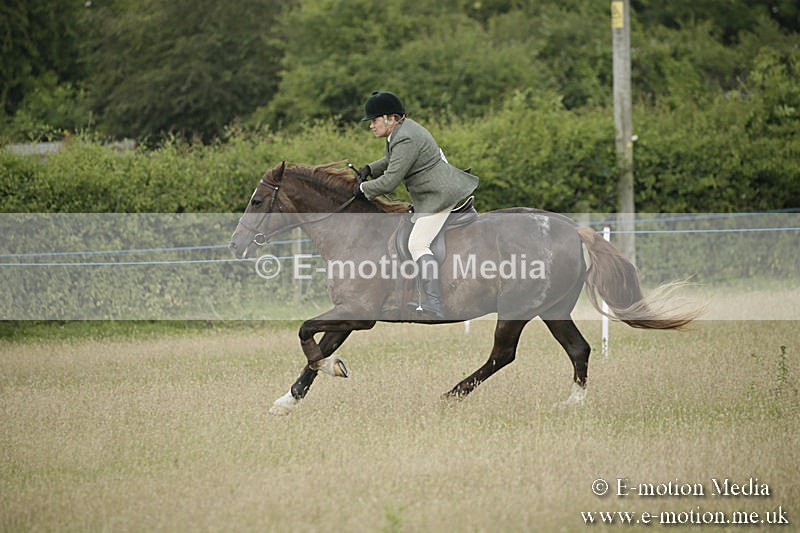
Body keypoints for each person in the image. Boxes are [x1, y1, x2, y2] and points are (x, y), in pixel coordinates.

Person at [354, 91, 478, 319]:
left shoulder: (405, 137)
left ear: (390, 118)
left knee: (418, 244)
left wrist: (363, 189)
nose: (371, 126)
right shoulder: (401, 131)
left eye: (373, 120)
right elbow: (392, 161)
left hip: (439, 196)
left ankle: (434, 302)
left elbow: (390, 181)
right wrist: (370, 169)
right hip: (430, 195)